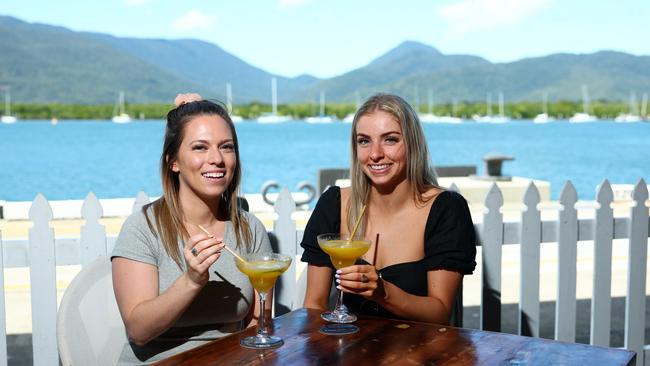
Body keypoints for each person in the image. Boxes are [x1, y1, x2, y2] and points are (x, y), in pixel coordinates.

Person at [111, 94, 272, 364]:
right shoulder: (144, 227)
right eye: (200, 147)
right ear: (173, 162)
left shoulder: (249, 229)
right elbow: (139, 331)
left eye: (226, 147)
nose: (217, 159)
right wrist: (192, 281)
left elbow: (259, 322)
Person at [301, 93, 476, 324]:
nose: (375, 154)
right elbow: (313, 306)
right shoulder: (333, 204)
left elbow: (440, 312)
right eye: (364, 141)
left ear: (413, 144)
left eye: (390, 140)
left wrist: (383, 293)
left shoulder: (446, 209)